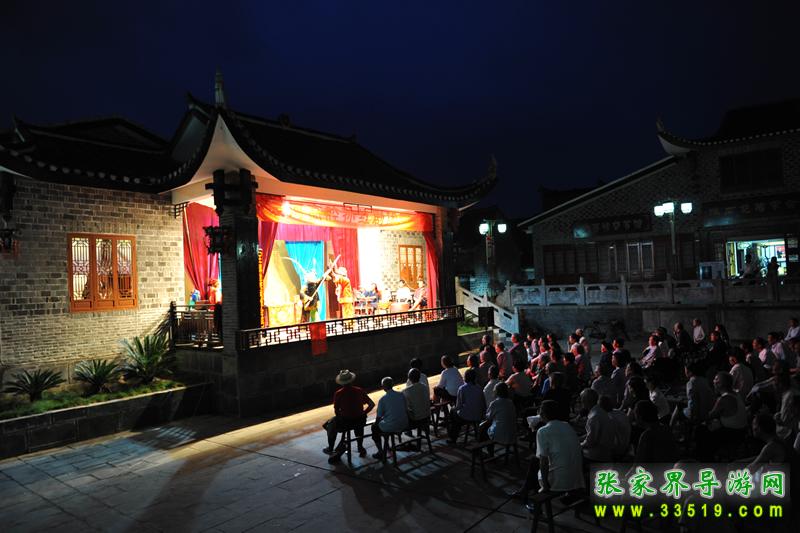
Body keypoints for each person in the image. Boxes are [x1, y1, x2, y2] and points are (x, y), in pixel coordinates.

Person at [513, 400, 584, 503]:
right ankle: (525, 490)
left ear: (542, 414)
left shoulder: (543, 431)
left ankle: (530, 496)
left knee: (536, 462)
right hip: (576, 478)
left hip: (560, 481)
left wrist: (545, 486)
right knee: (536, 460)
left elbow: (544, 462)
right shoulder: (567, 425)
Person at [324, 370, 375, 463]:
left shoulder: (338, 393)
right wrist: (364, 413)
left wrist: (341, 416)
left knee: (330, 423)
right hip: (360, 420)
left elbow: (336, 411)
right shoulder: (359, 390)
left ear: (341, 382)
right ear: (351, 380)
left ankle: (330, 447)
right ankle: (360, 446)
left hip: (346, 422)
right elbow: (371, 404)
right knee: (359, 421)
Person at [698, 371, 748, 460]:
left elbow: (708, 416)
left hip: (732, 433)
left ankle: (706, 460)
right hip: (741, 430)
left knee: (701, 430)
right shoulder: (735, 394)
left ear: (720, 384)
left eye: (716, 379)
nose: (713, 381)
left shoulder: (724, 399)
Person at [371, 377, 409, 460]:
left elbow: (379, 416)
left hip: (392, 426)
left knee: (374, 428)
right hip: (404, 423)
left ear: (383, 387)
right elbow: (406, 409)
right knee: (385, 422)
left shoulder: (382, 399)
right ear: (392, 385)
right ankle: (387, 445)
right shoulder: (401, 395)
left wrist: (376, 424)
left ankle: (380, 451)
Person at [447, 368, 486, 444]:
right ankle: (455, 431)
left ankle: (453, 437)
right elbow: (483, 403)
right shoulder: (479, 388)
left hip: (467, 416)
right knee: (456, 415)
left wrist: (453, 408)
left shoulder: (462, 388)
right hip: (479, 415)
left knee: (453, 413)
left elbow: (459, 406)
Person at [580, 389, 616, 461]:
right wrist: (578, 438)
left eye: (582, 399)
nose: (581, 401)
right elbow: (593, 434)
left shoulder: (594, 416)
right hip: (605, 452)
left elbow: (590, 441)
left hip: (597, 455)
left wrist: (578, 444)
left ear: (586, 401)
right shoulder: (600, 411)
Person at [481, 382, 517, 451]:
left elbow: (488, 417)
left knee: (482, 427)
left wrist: (483, 413)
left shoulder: (495, 403)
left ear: (496, 392)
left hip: (501, 434)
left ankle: (489, 452)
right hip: (512, 434)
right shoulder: (510, 402)